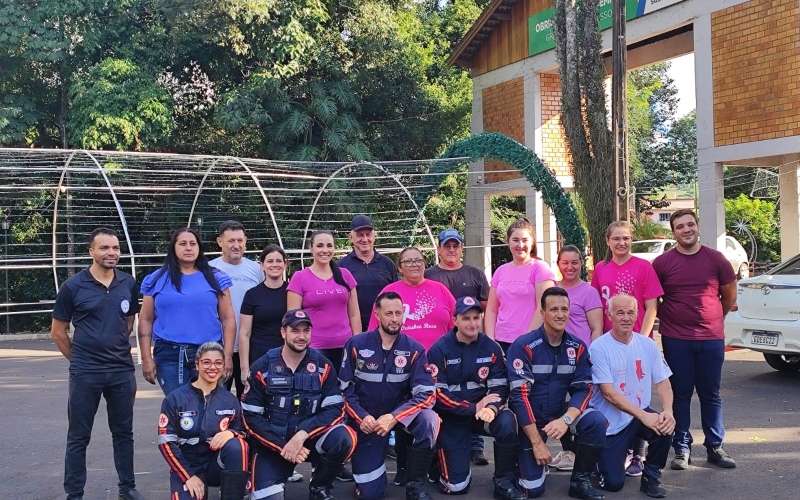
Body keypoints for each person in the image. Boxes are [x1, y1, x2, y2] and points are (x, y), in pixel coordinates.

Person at [51, 228, 144, 500]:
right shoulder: (72, 287)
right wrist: (80, 359)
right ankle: (75, 494)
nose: (111, 253)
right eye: (104, 248)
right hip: (86, 373)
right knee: (79, 436)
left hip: (121, 371)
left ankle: (127, 489)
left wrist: (111, 348)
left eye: (115, 248)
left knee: (123, 433)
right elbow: (58, 332)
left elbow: (128, 322)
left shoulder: (128, 283)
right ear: (91, 251)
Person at [653, 209, 738, 470]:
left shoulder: (717, 260)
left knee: (710, 393)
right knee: (680, 394)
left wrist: (714, 318)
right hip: (676, 338)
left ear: (698, 227)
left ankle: (715, 447)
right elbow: (654, 299)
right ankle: (681, 447)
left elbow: (729, 295)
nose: (686, 230)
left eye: (690, 224)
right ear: (674, 232)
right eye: (680, 226)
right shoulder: (663, 263)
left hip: (711, 338)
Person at [241, 309, 357, 500]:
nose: (301, 336)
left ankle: (319, 486)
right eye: (295, 331)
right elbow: (250, 418)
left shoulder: (323, 366)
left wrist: (302, 435)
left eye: (306, 331)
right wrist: (283, 446)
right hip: (272, 445)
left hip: (308, 441)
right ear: (283, 332)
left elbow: (335, 409)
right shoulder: (262, 368)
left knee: (345, 437)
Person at [506, 287, 607, 500]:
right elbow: (519, 397)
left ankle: (580, 480)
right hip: (529, 421)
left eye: (564, 309)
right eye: (553, 309)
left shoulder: (577, 347)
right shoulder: (523, 346)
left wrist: (566, 419)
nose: (560, 314)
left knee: (596, 420)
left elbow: (584, 388)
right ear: (542, 313)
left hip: (559, 414)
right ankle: (525, 464)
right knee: (531, 490)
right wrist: (537, 442)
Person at [340, 291, 440, 500]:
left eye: (398, 313)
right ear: (377, 315)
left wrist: (394, 417)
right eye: (388, 313)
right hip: (367, 423)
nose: (395, 319)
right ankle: (371, 474)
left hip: (398, 417)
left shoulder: (414, 349)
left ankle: (415, 486)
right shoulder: (356, 344)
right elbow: (344, 390)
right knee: (370, 494)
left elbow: (427, 394)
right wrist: (362, 417)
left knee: (430, 420)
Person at [427, 296, 524, 500]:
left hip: (482, 415)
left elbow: (500, 387)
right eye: (466, 318)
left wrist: (493, 408)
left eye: (476, 318)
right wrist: (472, 407)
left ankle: (503, 481)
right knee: (456, 487)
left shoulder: (491, 347)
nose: (472, 323)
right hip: (451, 418)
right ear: (455, 320)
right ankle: (437, 459)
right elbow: (438, 394)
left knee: (507, 420)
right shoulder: (439, 349)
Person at [590, 221, 663, 476]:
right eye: (616, 238)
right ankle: (617, 448)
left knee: (638, 393)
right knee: (614, 393)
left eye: (627, 238)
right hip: (611, 343)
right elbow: (597, 304)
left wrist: (640, 340)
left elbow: (652, 306)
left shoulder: (643, 267)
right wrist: (597, 336)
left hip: (635, 341)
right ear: (608, 241)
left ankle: (638, 454)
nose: (622, 243)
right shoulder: (600, 268)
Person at [590, 294, 675, 498]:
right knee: (613, 484)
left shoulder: (647, 345)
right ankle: (592, 458)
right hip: (610, 422)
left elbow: (663, 382)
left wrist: (668, 411)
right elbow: (608, 394)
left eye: (631, 312)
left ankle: (651, 477)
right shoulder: (599, 347)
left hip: (637, 413)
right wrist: (643, 416)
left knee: (665, 426)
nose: (626, 317)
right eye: (620, 312)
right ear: (610, 315)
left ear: (637, 314)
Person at [138, 227, 236, 397]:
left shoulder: (217, 278)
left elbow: (228, 319)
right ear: (173, 248)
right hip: (169, 355)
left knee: (208, 408)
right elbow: (145, 319)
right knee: (179, 409)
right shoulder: (156, 279)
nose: (188, 248)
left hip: (209, 354)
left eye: (193, 244)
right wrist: (146, 358)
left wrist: (227, 356)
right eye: (182, 244)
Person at [424, 228, 492, 466]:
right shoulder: (429, 274)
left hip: (472, 346)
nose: (451, 250)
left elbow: (486, 308)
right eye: (447, 246)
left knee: (475, 390)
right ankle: (444, 443)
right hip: (441, 347)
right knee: (444, 394)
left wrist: (485, 339)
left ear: (461, 248)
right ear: (439, 249)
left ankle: (476, 446)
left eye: (456, 245)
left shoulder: (474, 274)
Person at [157, 341, 250, 500]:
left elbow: (243, 430)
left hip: (216, 465)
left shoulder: (230, 400)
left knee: (238, 445)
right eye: (206, 362)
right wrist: (188, 477)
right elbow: (166, 443)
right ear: (197, 364)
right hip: (187, 466)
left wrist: (231, 433)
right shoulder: (175, 398)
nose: (212, 367)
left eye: (218, 363)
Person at [549, 245, 604, 472]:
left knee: (580, 406)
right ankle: (568, 451)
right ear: (558, 264)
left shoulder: (589, 292)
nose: (570, 267)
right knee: (556, 404)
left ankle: (580, 453)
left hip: (580, 360)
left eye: (575, 262)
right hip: (555, 359)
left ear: (582, 264)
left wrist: (589, 358)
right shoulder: (551, 290)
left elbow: (596, 328)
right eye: (565, 262)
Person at [288, 229, 360, 371]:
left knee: (345, 390)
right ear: (311, 248)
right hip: (314, 347)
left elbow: (354, 314)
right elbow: (292, 318)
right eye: (320, 246)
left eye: (329, 245)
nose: (325, 250)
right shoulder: (300, 277)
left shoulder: (345, 275)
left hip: (344, 346)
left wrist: (356, 343)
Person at [209, 220, 264, 397]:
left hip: (248, 347)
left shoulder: (256, 269)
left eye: (240, 241)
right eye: (231, 241)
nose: (236, 245)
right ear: (220, 242)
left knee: (249, 398)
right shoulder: (210, 269)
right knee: (216, 398)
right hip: (219, 346)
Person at [485, 218, 556, 352]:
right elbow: (491, 309)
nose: (520, 245)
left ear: (532, 242)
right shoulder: (500, 271)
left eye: (525, 240)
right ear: (508, 241)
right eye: (515, 240)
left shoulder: (540, 268)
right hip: (501, 341)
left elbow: (544, 307)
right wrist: (490, 341)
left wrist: (526, 341)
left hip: (531, 342)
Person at [368, 247, 456, 352]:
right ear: (399, 268)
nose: (414, 264)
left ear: (424, 264)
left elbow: (458, 325)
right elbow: (374, 332)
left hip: (439, 359)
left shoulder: (441, 289)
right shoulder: (388, 292)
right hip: (401, 361)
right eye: (408, 261)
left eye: (418, 261)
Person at [339, 214, 399, 332]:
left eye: (368, 234)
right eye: (360, 235)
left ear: (374, 236)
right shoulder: (341, 266)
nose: (365, 239)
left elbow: (396, 296)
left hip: (384, 329)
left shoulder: (387, 264)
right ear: (350, 237)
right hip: (352, 330)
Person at [239, 244, 290, 379]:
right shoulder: (252, 295)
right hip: (259, 357)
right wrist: (244, 368)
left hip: (288, 356)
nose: (275, 265)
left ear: (285, 265)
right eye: (270, 261)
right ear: (262, 265)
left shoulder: (293, 292)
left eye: (279, 261)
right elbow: (245, 333)